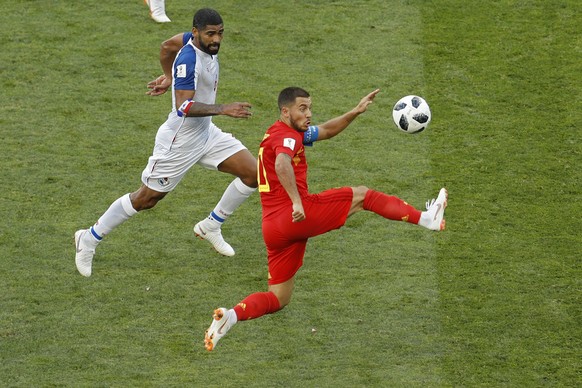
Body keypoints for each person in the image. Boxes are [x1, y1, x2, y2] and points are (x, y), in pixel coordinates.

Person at [203, 87, 448, 351]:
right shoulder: (287, 138)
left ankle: (232, 316)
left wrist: (355, 111)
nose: (308, 113)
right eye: (302, 108)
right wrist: (297, 201)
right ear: (285, 111)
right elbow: (282, 163)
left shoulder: (282, 132)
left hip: (273, 227)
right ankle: (426, 218)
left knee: (278, 297)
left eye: (309, 107)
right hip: (296, 215)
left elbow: (327, 130)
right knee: (364, 196)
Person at [75, 8, 258, 277]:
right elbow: (183, 105)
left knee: (254, 174)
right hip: (180, 139)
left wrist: (169, 76)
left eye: (220, 33)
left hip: (206, 132)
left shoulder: (188, 40)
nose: (216, 39)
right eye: (210, 34)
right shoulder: (190, 58)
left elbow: (166, 45)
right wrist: (223, 108)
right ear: (196, 32)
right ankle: (88, 238)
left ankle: (210, 225)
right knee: (147, 199)